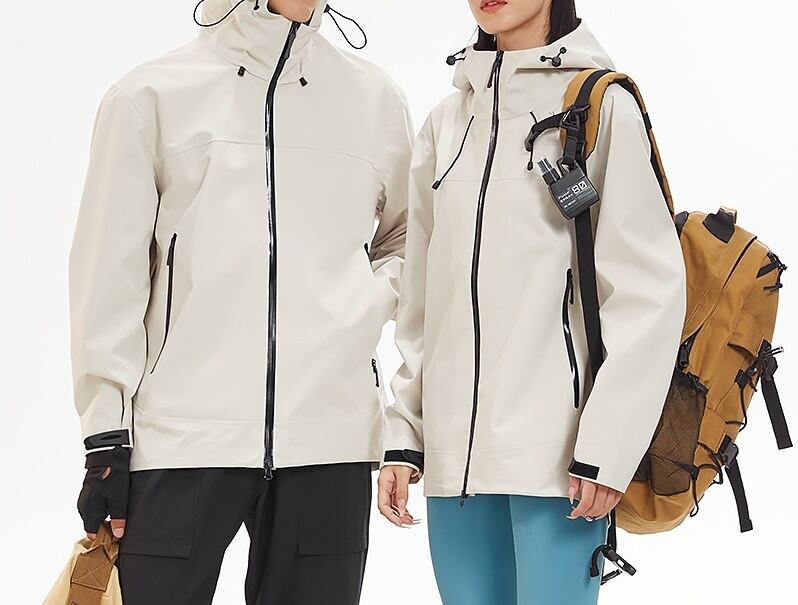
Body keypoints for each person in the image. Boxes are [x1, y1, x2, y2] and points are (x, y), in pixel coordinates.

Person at [69, 1, 412, 603]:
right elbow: (109, 279)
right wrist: (105, 437)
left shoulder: (373, 99)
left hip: (328, 438)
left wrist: (360, 303)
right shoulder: (149, 96)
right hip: (179, 437)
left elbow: (408, 237)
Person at [377, 1, 686, 603]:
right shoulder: (446, 122)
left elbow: (647, 291)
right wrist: (406, 432)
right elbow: (422, 297)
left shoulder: (599, 106)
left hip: (559, 460)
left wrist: (607, 446)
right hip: (453, 462)